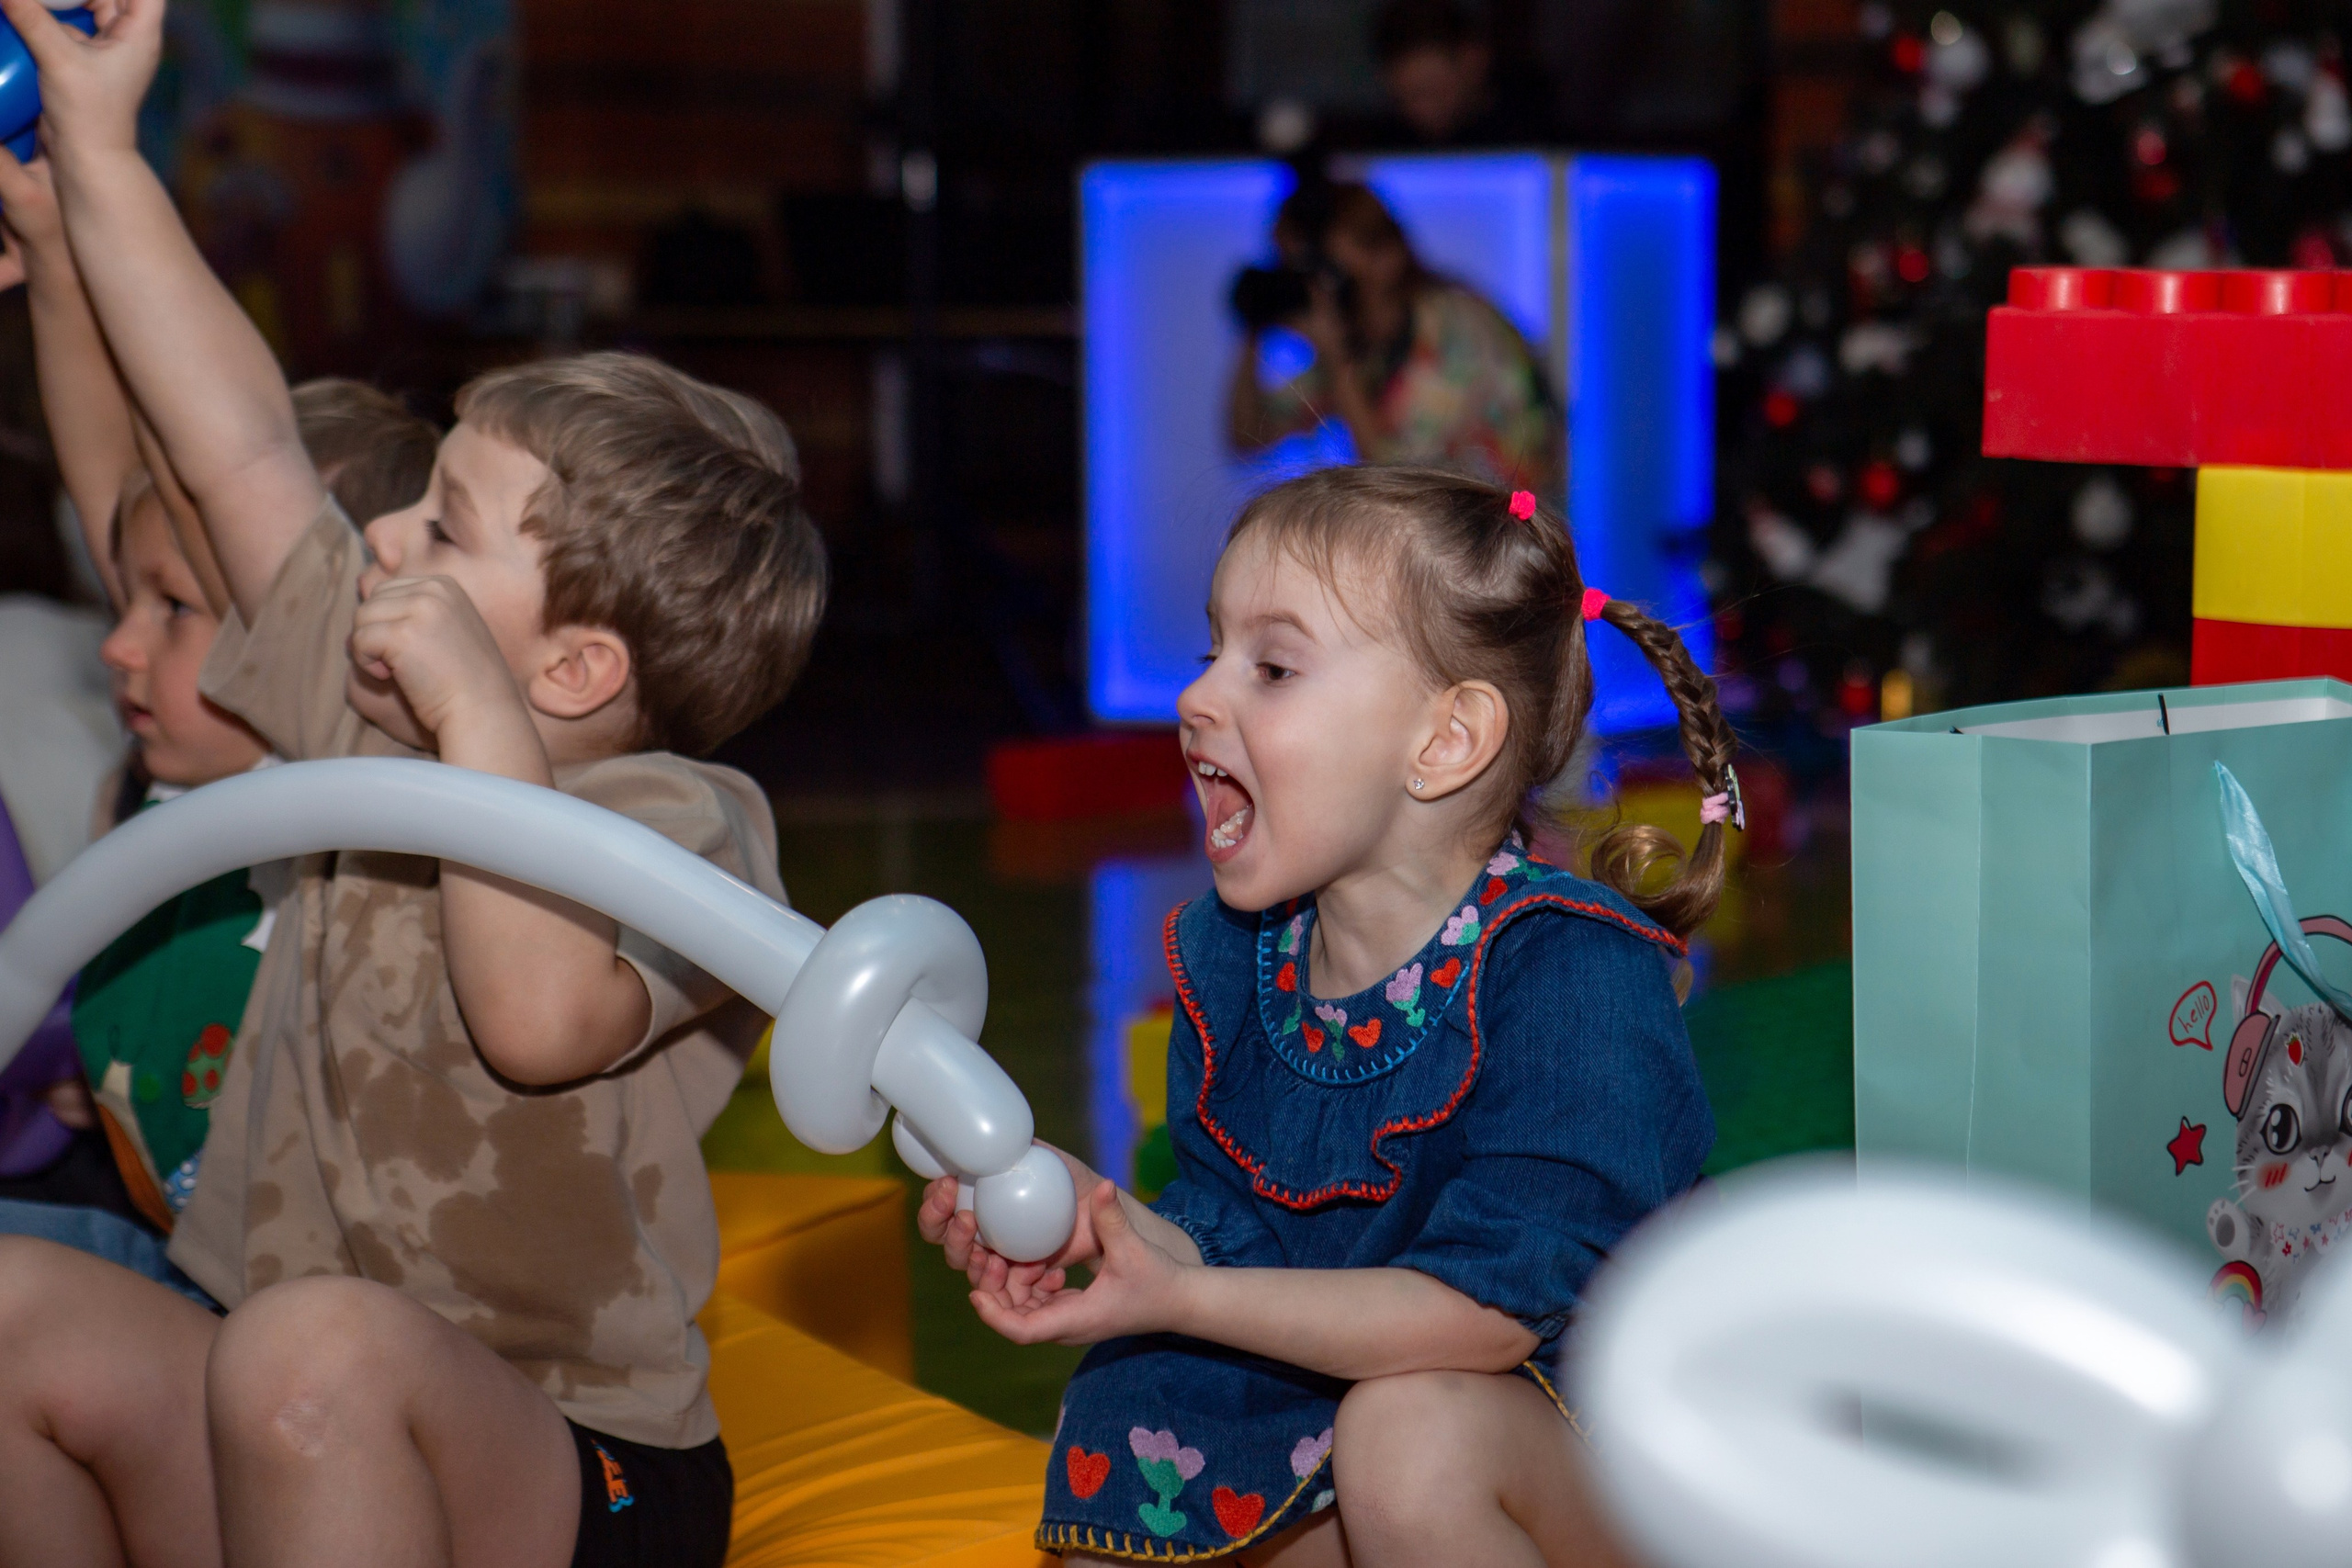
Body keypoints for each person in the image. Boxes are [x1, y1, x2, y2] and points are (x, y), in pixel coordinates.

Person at [0, 5, 824, 1566]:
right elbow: (239, 446)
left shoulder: (692, 829)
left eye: (442, 529)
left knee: (310, 1344)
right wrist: (102, 151)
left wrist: (470, 721)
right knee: (21, 1311)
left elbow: (536, 1019)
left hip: (573, 1457)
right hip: (281, 1408)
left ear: (574, 668)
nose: (381, 538)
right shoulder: (357, 716)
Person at [922, 466, 1731, 1566]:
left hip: (1611, 1459)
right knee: (1130, 1405)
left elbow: (1480, 1319)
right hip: (1375, 1434)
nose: (1196, 699)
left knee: (1412, 1437)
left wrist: (1181, 1296)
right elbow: (1236, 1236)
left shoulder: (1569, 969)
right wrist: (1105, 1222)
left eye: (1271, 668)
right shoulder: (1235, 956)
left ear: (1444, 741)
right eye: (1210, 653)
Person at [1227, 183, 1560, 491]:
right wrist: (1256, 325)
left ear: (1387, 257)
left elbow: (1399, 481)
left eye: (1326, 270)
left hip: (1507, 527)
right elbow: (1248, 435)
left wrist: (1340, 366)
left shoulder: (1454, 329)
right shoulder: (1364, 348)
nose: (1318, 290)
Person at [1368, 0, 1546, 149]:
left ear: (1474, 61)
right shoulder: (1384, 146)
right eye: (1405, 99)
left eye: (1432, 92)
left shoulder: (1535, 133)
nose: (1421, 110)